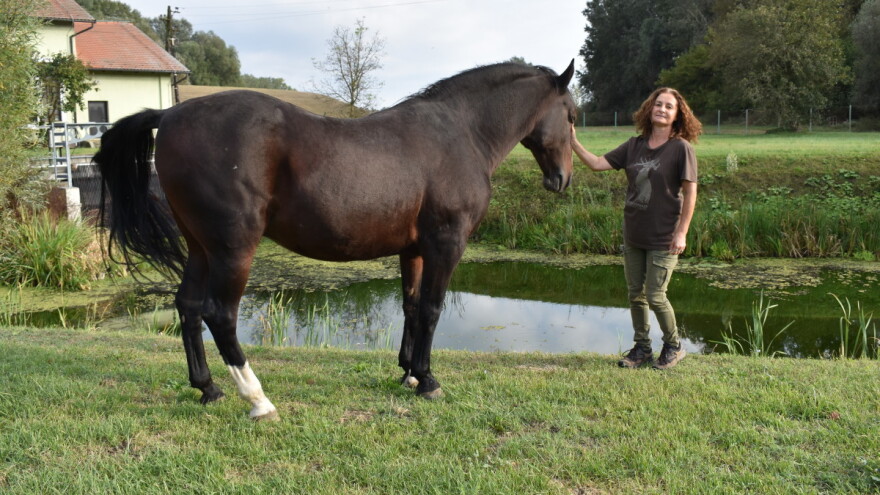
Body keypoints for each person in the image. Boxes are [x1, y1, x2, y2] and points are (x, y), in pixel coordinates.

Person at [570, 88, 701, 370]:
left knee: (655, 295)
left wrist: (682, 232)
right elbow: (596, 164)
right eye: (658, 104)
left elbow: (690, 193)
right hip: (634, 234)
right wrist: (573, 142)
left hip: (664, 235)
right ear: (649, 109)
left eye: (669, 106)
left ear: (678, 115)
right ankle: (642, 349)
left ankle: (674, 346)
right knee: (636, 295)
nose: (662, 109)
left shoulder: (681, 149)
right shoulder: (633, 145)